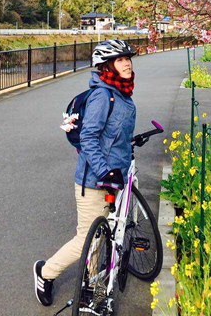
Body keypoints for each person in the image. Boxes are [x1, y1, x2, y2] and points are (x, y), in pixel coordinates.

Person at [33, 39, 138, 307]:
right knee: (87, 238)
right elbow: (90, 137)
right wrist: (106, 172)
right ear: (106, 67)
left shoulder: (121, 94)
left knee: (101, 235)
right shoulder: (103, 96)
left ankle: (93, 285)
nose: (127, 63)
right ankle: (45, 273)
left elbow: (111, 135)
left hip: (113, 177)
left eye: (128, 58)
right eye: (120, 59)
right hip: (95, 180)